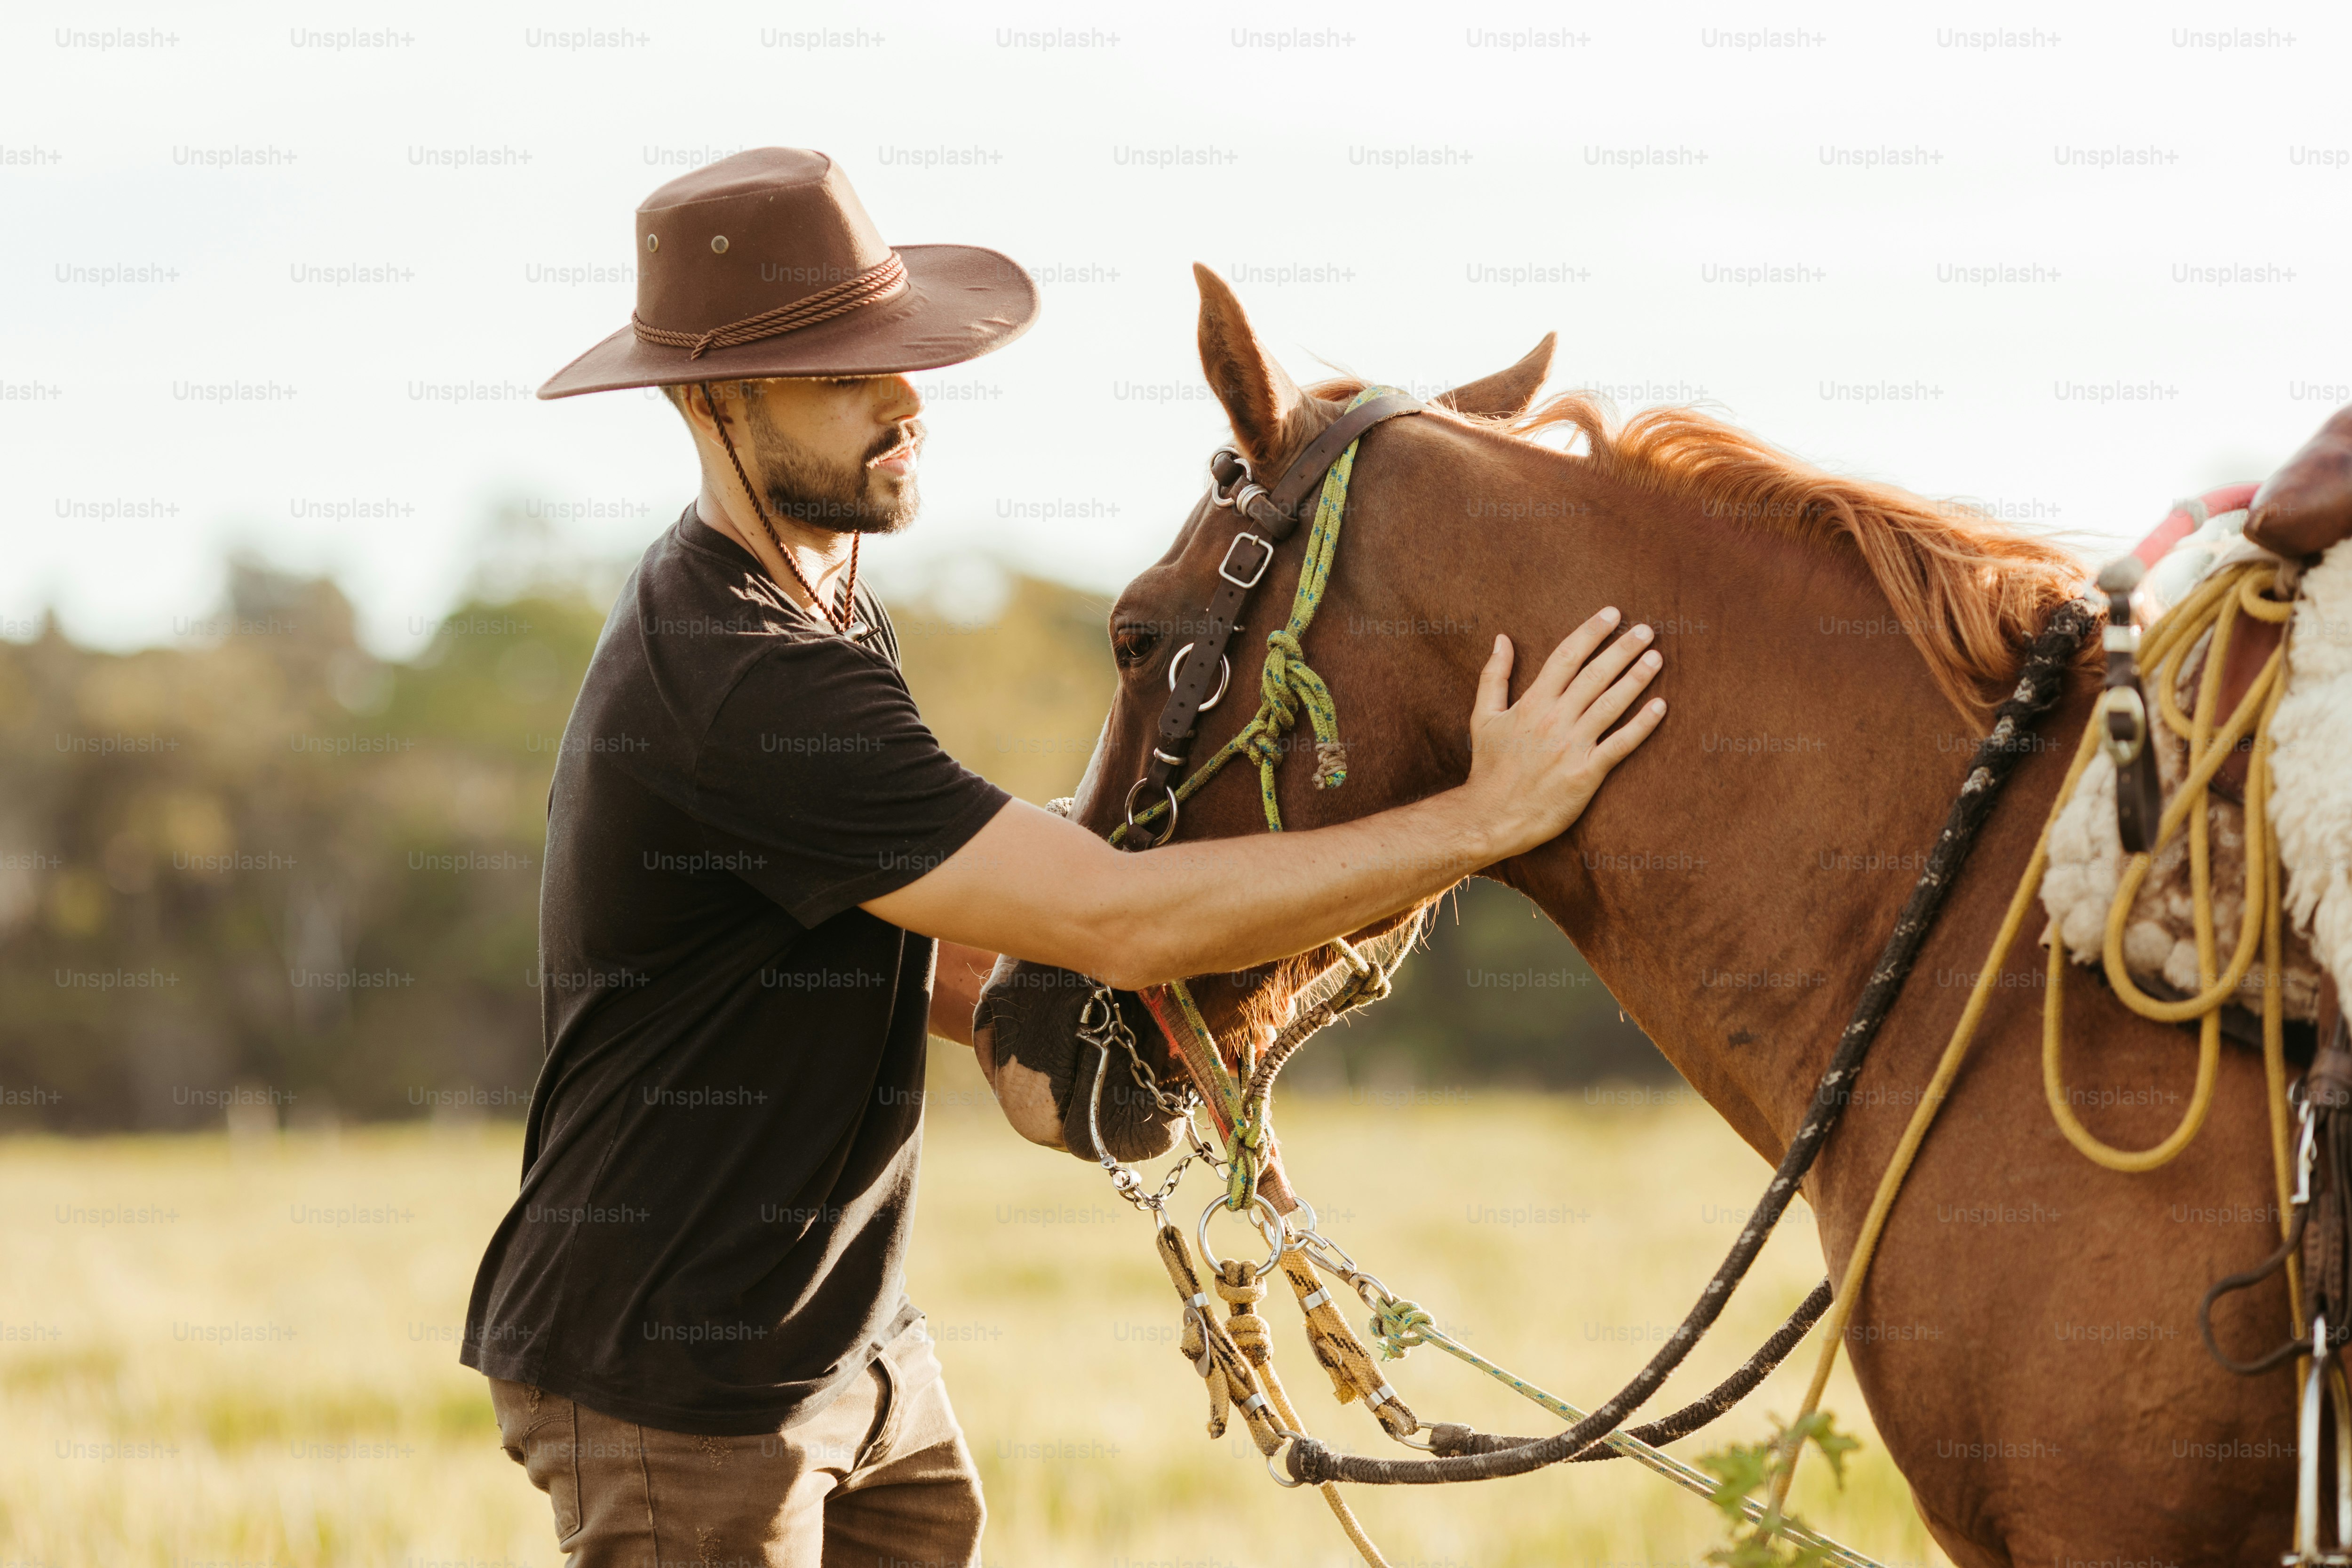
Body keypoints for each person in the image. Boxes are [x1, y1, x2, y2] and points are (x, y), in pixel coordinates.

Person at [462, 146, 1667, 1568]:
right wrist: (1483, 819)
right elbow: (1120, 918)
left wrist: (1098, 1039)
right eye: (848, 373)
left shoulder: (821, 596)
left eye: (901, 359)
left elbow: (925, 910)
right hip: (678, 1381)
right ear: (714, 402)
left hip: (843, 1340)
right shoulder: (743, 674)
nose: (906, 401)